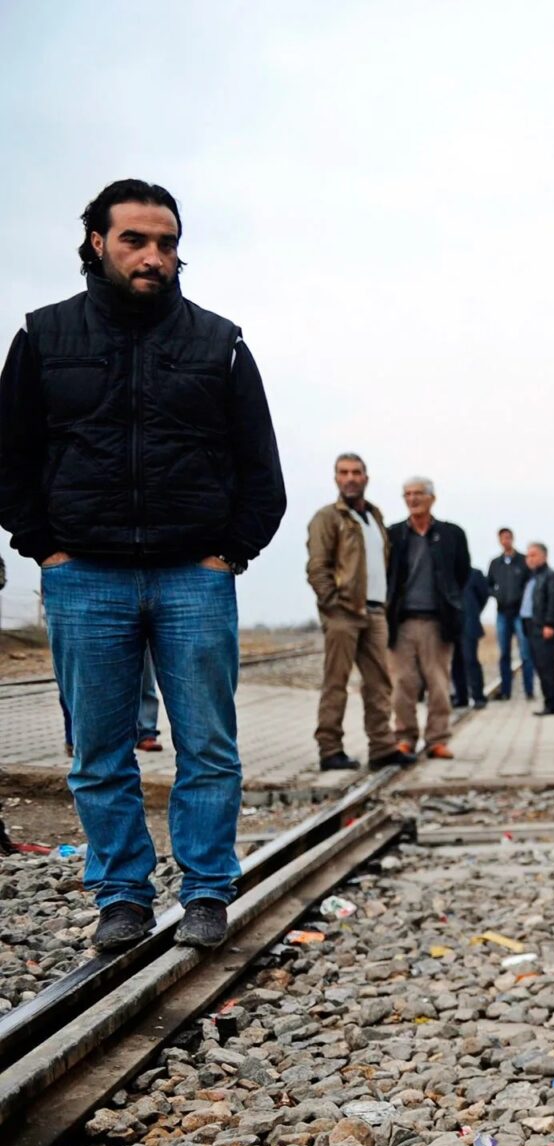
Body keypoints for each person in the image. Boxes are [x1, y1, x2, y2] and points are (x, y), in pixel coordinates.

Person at [0, 178, 287, 952]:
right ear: (97, 242)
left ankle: (205, 893)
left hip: (193, 576)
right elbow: (11, 457)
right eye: (136, 240)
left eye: (166, 242)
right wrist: (44, 547)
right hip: (84, 573)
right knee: (98, 751)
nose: (154, 256)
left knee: (208, 747)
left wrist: (230, 554)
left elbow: (262, 469)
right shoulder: (43, 337)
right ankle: (122, 896)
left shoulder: (218, 342)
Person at [306, 452, 407, 772]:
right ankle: (330, 749)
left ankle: (382, 746)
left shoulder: (374, 516)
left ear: (366, 477)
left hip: (376, 611)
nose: (350, 477)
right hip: (343, 612)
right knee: (336, 682)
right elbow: (317, 567)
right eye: (343, 472)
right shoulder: (327, 517)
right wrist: (333, 603)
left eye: (356, 472)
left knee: (379, 682)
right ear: (336, 478)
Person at [384, 477, 469, 759]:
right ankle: (405, 737)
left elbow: (462, 573)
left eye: (418, 493)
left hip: (437, 621)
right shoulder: (394, 534)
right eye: (407, 494)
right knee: (402, 684)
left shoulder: (451, 534)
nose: (412, 499)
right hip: (402, 621)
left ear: (432, 497)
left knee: (439, 683)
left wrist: (450, 604)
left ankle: (437, 740)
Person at [486, 528, 532, 702]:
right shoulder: (495, 563)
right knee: (504, 653)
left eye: (508, 538)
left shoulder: (522, 561)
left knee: (525, 653)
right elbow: (488, 584)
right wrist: (496, 595)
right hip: (502, 613)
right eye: (502, 538)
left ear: (512, 538)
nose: (506, 541)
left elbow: (530, 585)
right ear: (499, 541)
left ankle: (529, 691)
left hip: (520, 614)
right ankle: (506, 691)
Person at [524, 541, 554, 715]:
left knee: (547, 666)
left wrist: (550, 624)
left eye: (534, 555)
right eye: (528, 555)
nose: (530, 559)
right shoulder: (533, 577)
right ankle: (549, 702)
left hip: (544, 628)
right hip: (532, 627)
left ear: (544, 556)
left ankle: (553, 705)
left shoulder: (552, 577)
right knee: (540, 666)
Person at [450, 566, 490, 710]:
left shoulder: (475, 574)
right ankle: (461, 697)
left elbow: (484, 595)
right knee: (455, 662)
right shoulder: (447, 574)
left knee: (470, 660)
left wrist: (474, 611)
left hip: (469, 622)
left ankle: (478, 696)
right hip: (452, 624)